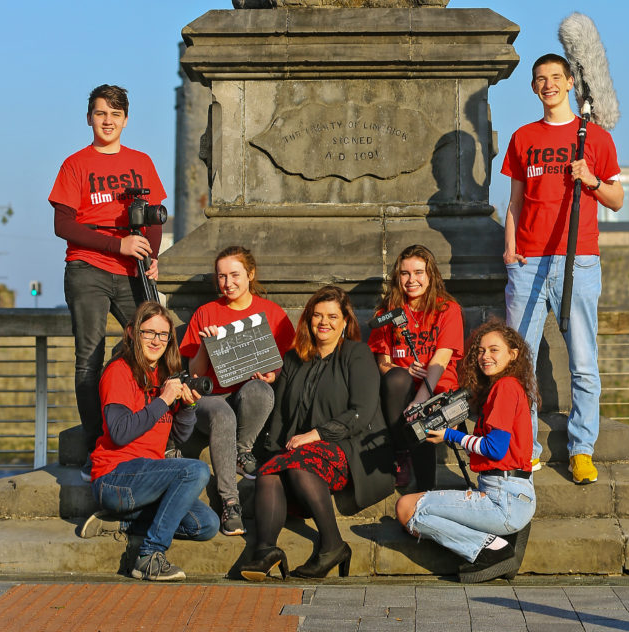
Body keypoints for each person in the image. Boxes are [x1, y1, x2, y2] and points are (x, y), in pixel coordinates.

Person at [502, 53, 623, 484]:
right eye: (540, 79)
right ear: (534, 88)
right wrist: (510, 249)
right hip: (528, 261)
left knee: (584, 362)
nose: (548, 84)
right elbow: (515, 202)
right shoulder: (522, 138)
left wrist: (590, 179)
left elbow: (617, 198)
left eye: (556, 77)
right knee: (520, 363)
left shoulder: (596, 138)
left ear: (571, 82)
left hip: (580, 260)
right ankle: (526, 447)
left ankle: (582, 449)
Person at [49, 84, 166, 481]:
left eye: (115, 115)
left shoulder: (142, 162)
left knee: (155, 343)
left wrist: (150, 255)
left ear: (126, 120)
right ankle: (96, 443)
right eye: (101, 114)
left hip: (132, 270)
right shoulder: (75, 164)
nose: (108, 121)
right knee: (89, 356)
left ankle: (154, 434)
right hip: (88, 268)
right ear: (89, 118)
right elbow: (62, 224)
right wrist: (118, 243)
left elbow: (152, 219)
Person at [240, 284, 393, 581]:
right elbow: (281, 415)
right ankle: (265, 550)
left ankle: (333, 544)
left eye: (333, 316)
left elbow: (361, 412)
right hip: (304, 450)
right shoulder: (295, 358)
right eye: (318, 316)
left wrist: (317, 434)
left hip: (354, 447)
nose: (324, 322)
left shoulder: (357, 354)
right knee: (270, 473)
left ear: (345, 321)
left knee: (298, 463)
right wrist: (271, 454)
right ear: (309, 320)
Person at [82, 300, 219, 581]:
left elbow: (177, 437)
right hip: (114, 477)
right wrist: (163, 400)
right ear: (132, 332)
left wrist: (188, 407)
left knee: (207, 524)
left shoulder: (163, 375)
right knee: (197, 470)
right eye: (149, 332)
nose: (156, 340)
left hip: (148, 479)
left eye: (163, 334)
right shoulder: (118, 372)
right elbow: (119, 432)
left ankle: (118, 520)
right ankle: (149, 556)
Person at [396, 320, 537, 583]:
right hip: (509, 492)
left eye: (494, 350)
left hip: (503, 498)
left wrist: (450, 435)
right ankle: (498, 542)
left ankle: (495, 549)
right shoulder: (507, 387)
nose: (485, 357)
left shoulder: (505, 387)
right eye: (481, 351)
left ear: (513, 354)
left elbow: (495, 449)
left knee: (406, 508)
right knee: (415, 510)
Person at [179, 245, 296, 537]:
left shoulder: (271, 313)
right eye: (221, 277)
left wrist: (273, 374)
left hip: (248, 394)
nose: (227, 283)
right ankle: (230, 502)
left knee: (261, 390)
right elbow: (194, 374)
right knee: (221, 411)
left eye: (234, 275)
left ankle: (243, 449)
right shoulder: (206, 313)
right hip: (211, 398)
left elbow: (286, 361)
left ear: (250, 274)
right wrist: (206, 346)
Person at [368, 244, 465, 491]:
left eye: (419, 272)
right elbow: (382, 362)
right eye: (405, 273)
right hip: (400, 390)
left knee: (422, 416)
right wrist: (399, 370)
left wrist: (420, 401)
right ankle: (401, 453)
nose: (412, 280)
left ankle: (425, 491)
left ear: (431, 275)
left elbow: (442, 359)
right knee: (397, 378)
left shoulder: (447, 309)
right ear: (397, 277)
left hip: (437, 387)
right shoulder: (388, 312)